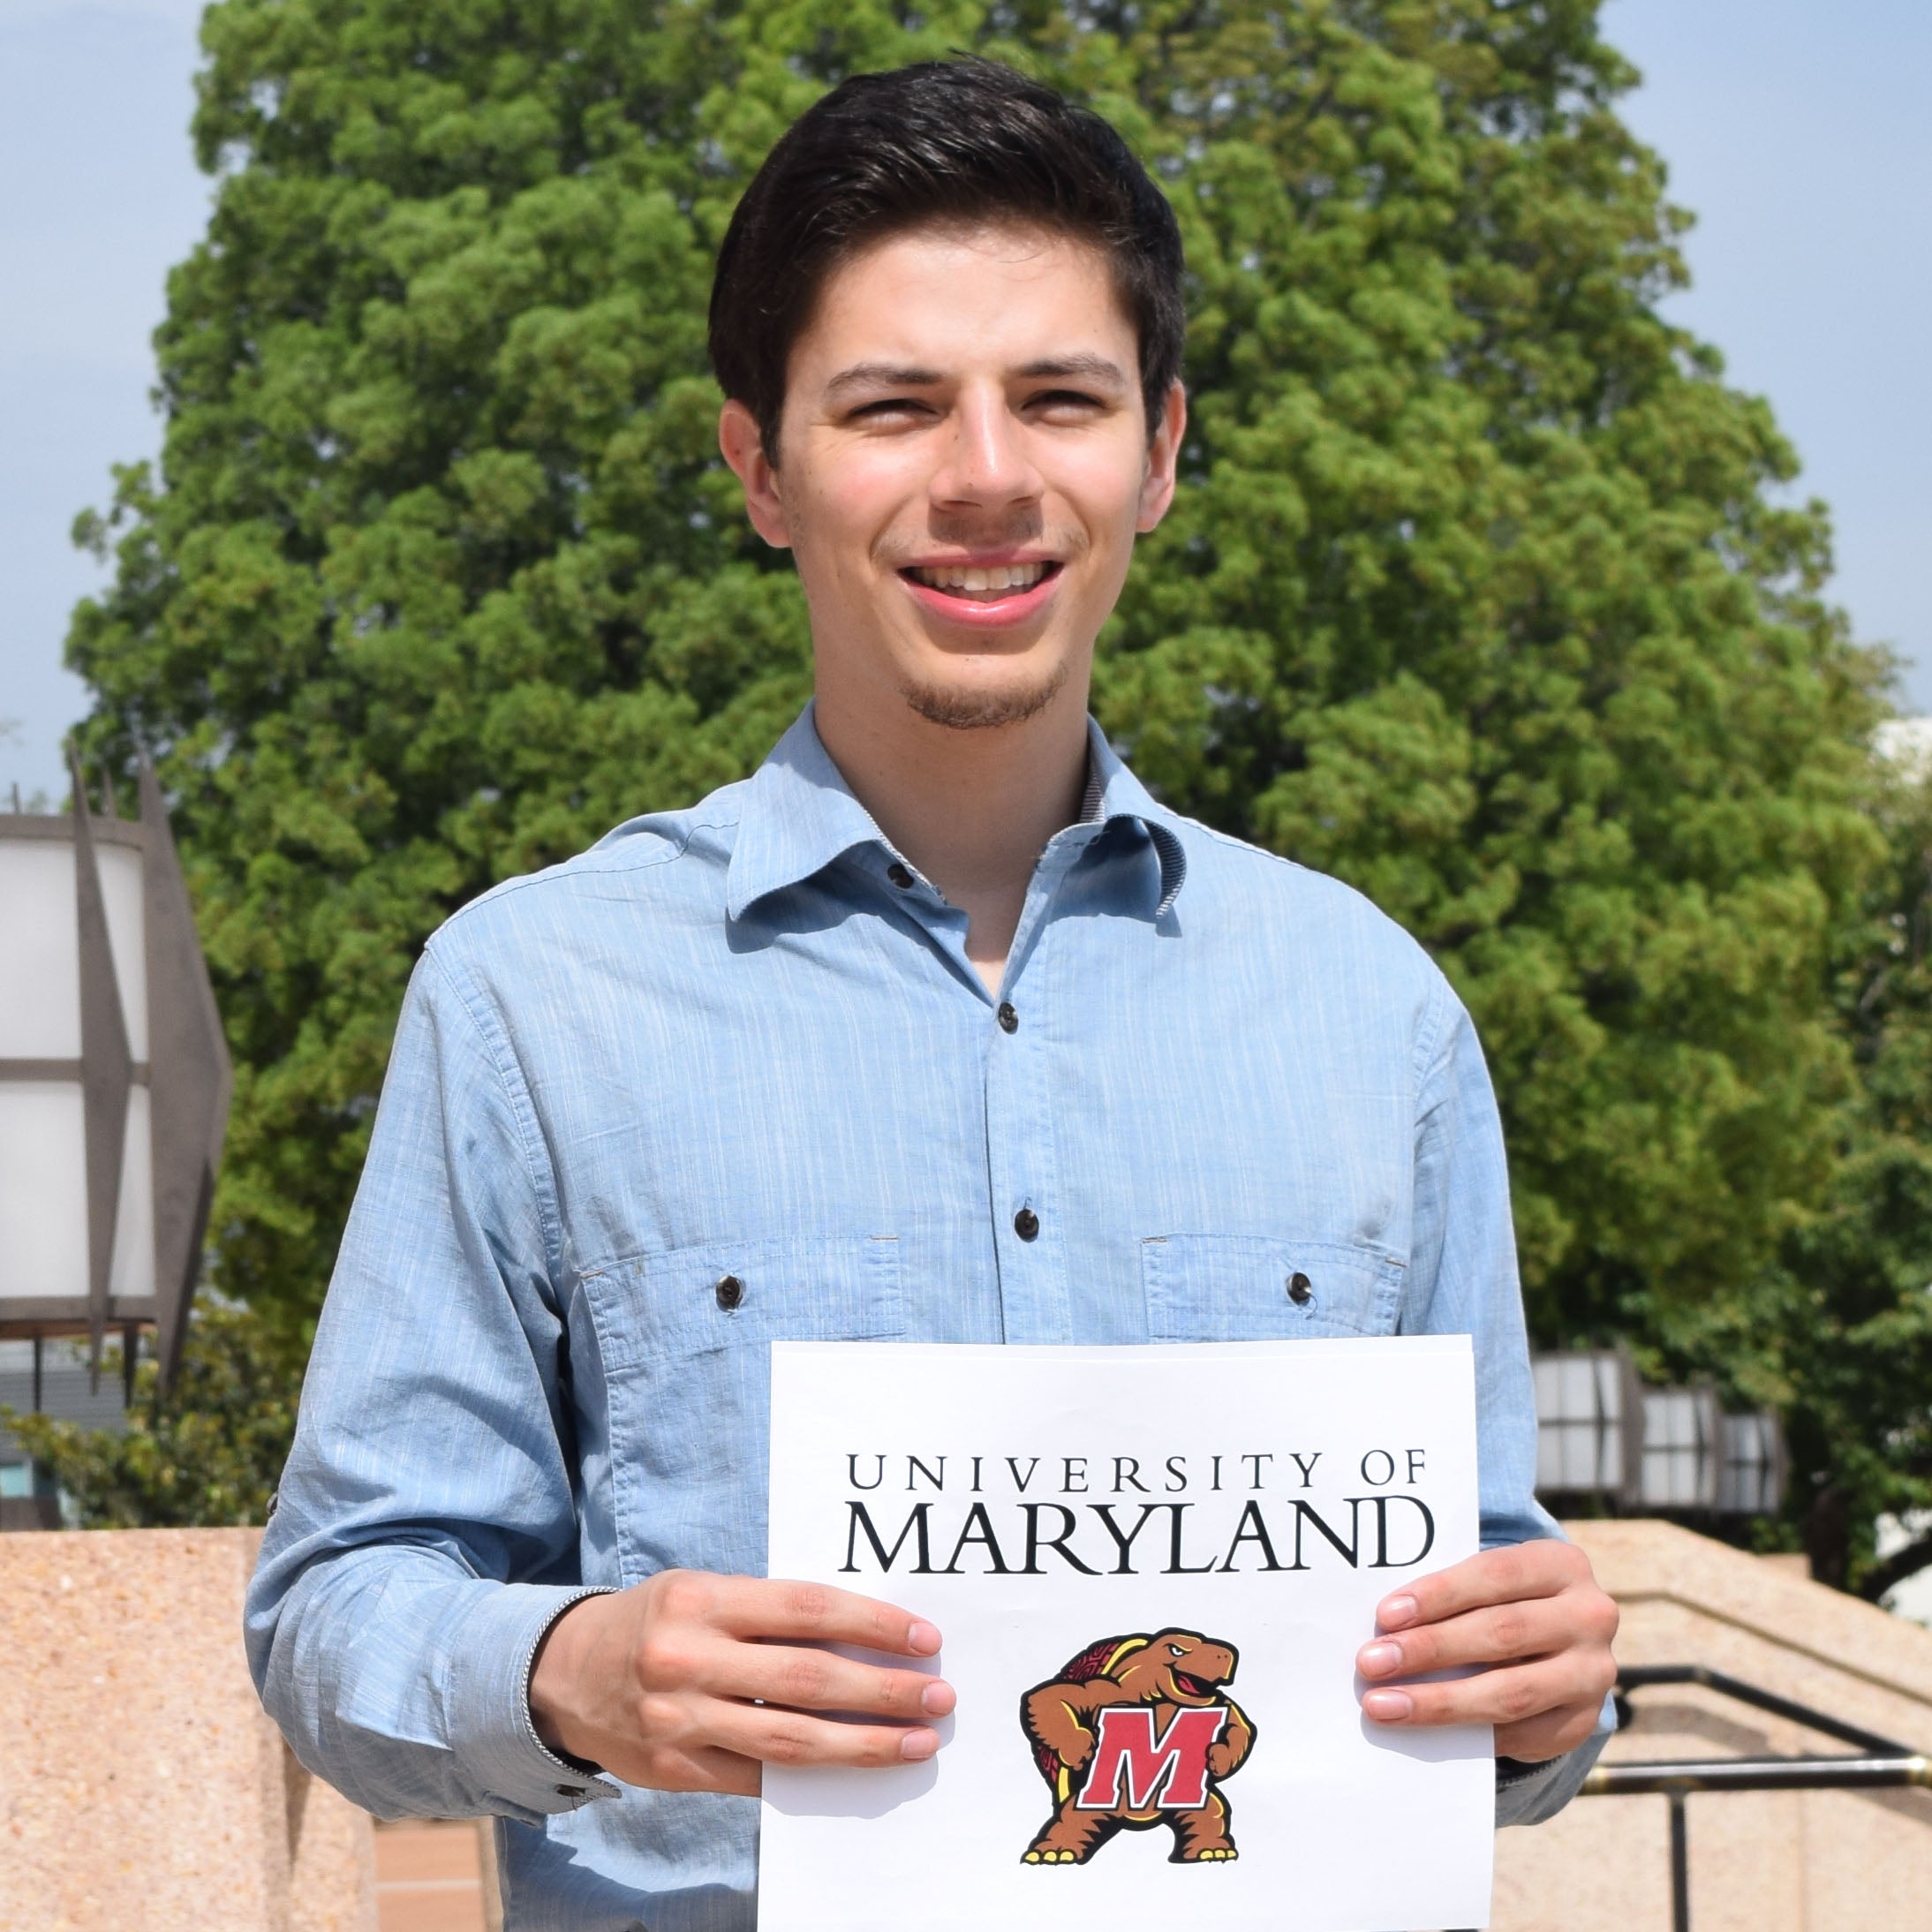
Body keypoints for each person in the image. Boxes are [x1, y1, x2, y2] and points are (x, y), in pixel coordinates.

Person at [247, 55, 1617, 1929]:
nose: (985, 477)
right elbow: (334, 1608)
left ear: (1155, 450)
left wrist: (1545, 1683)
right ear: (758, 467)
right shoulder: (530, 995)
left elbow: (1489, 1633)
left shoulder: (1373, 1011)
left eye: (1057, 398)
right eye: (892, 406)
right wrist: (570, 1667)